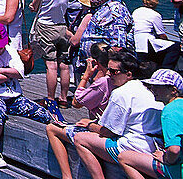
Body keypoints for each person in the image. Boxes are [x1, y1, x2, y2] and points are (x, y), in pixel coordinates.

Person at [0, 22, 54, 168]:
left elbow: (20, 72)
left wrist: (1, 70)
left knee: (42, 113)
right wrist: (10, 72)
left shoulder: (11, 51)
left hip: (12, 96)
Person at [73, 51, 163, 179]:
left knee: (80, 139)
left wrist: (90, 125)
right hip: (154, 145)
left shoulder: (121, 93)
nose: (108, 74)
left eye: (113, 71)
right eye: (108, 70)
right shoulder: (146, 89)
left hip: (133, 146)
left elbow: (108, 132)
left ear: (128, 74)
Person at [48, 44, 117, 179]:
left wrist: (86, 76)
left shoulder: (103, 82)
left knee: (51, 128)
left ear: (96, 62)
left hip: (101, 130)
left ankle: (66, 176)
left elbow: (76, 103)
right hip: (111, 129)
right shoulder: (117, 80)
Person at [116, 69, 183, 179]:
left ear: (173, 90)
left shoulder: (170, 111)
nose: (153, 89)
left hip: (178, 170)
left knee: (124, 157)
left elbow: (174, 150)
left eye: (158, 86)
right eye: (151, 86)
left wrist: (166, 158)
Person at [71, 0, 136, 75]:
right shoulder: (104, 8)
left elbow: (118, 47)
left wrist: (104, 73)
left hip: (101, 72)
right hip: (93, 68)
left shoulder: (116, 11)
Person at [29, 0, 73, 105]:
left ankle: (50, 98)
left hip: (46, 27)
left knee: (51, 65)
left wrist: (31, 6)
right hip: (62, 26)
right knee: (64, 65)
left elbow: (34, 7)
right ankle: (64, 98)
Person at [133, 0, 177, 66]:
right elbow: (161, 34)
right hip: (146, 41)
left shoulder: (136, 11)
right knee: (175, 46)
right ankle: (165, 68)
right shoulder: (155, 15)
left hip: (135, 40)